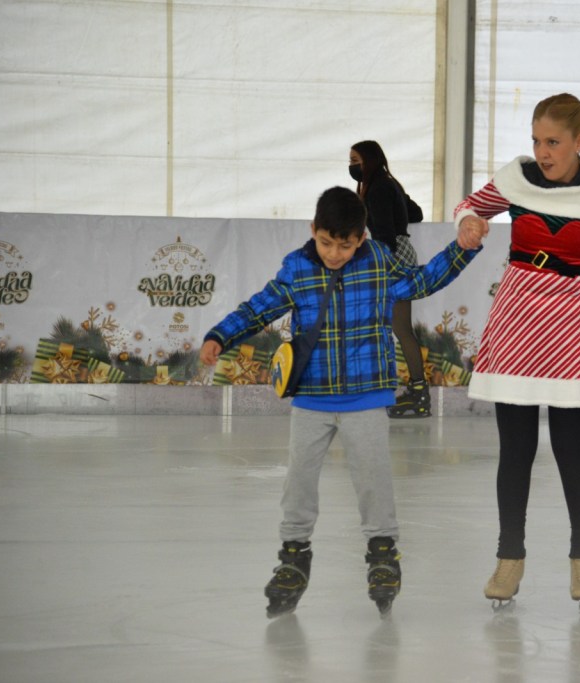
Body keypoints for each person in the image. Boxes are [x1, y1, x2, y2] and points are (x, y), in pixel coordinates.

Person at [200, 186, 485, 618]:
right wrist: (220, 334)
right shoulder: (297, 269)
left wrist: (462, 249)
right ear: (313, 231)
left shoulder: (378, 263)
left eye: (346, 245)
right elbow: (259, 307)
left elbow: (424, 280)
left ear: (362, 237)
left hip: (366, 395)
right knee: (298, 480)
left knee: (373, 478)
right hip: (312, 397)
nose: (335, 253)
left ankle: (382, 551)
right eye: (326, 243)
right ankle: (294, 554)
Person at [453, 93, 580, 606]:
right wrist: (468, 224)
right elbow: (470, 206)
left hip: (572, 326)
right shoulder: (517, 180)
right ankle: (509, 558)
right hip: (516, 320)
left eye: (553, 142)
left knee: (571, 450)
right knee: (514, 452)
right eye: (536, 140)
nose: (542, 152)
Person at [349, 140, 430, 418]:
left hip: (391, 258)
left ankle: (418, 394)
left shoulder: (378, 188)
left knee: (400, 328)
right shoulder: (388, 183)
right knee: (400, 328)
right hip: (401, 253)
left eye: (356, 160)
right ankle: (416, 393)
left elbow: (383, 233)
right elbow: (416, 213)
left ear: (368, 160)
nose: (352, 166)